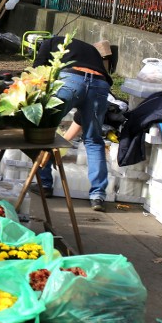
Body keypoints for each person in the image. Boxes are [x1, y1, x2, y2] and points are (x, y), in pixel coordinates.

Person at [33, 36, 112, 212]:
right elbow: (83, 115)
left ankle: (44, 184)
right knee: (94, 140)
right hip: (100, 85)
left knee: (43, 131)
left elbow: (37, 71)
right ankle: (98, 195)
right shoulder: (90, 50)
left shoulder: (49, 42)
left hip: (71, 79)